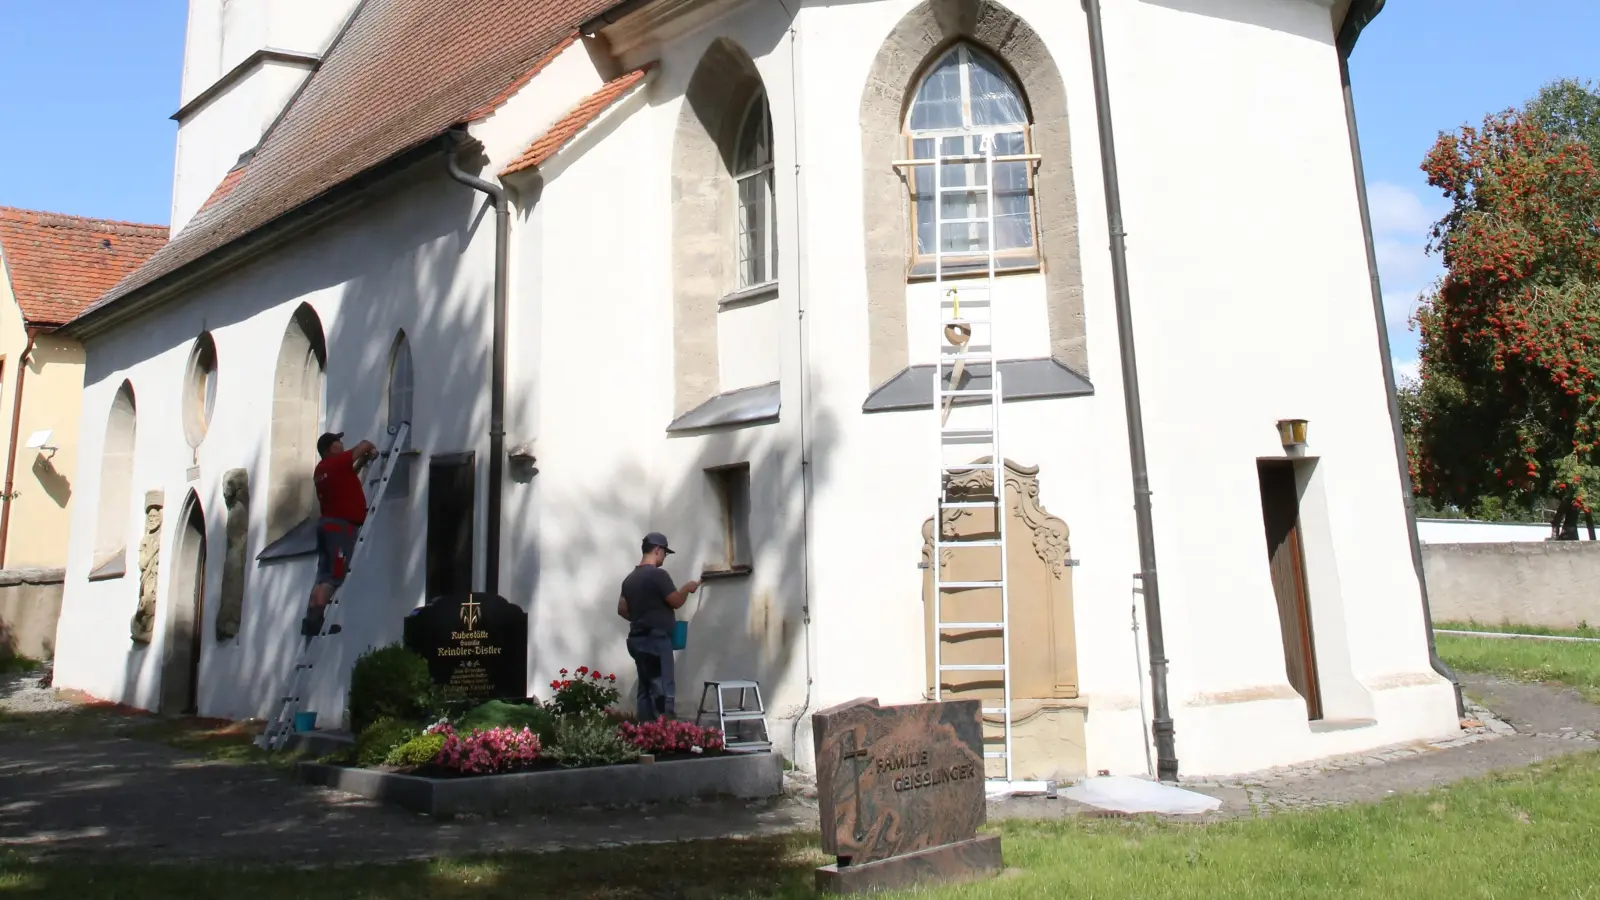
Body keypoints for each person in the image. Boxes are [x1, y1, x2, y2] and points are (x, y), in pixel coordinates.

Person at [302, 431, 378, 637]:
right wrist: (371, 450)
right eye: (338, 442)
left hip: (327, 527)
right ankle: (317, 621)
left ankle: (310, 620)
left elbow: (347, 476)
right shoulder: (336, 462)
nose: (342, 444)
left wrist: (362, 462)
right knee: (334, 576)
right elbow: (364, 444)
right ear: (331, 448)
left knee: (322, 575)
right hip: (341, 528)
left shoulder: (322, 470)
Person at [617, 532, 700, 721]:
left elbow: (622, 609)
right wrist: (687, 589)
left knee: (645, 690)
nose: (664, 556)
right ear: (657, 550)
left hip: (637, 641)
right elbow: (675, 601)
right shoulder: (658, 575)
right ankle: (665, 730)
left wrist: (641, 618)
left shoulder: (629, 579)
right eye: (665, 552)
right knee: (663, 690)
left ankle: (645, 731)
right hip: (657, 641)